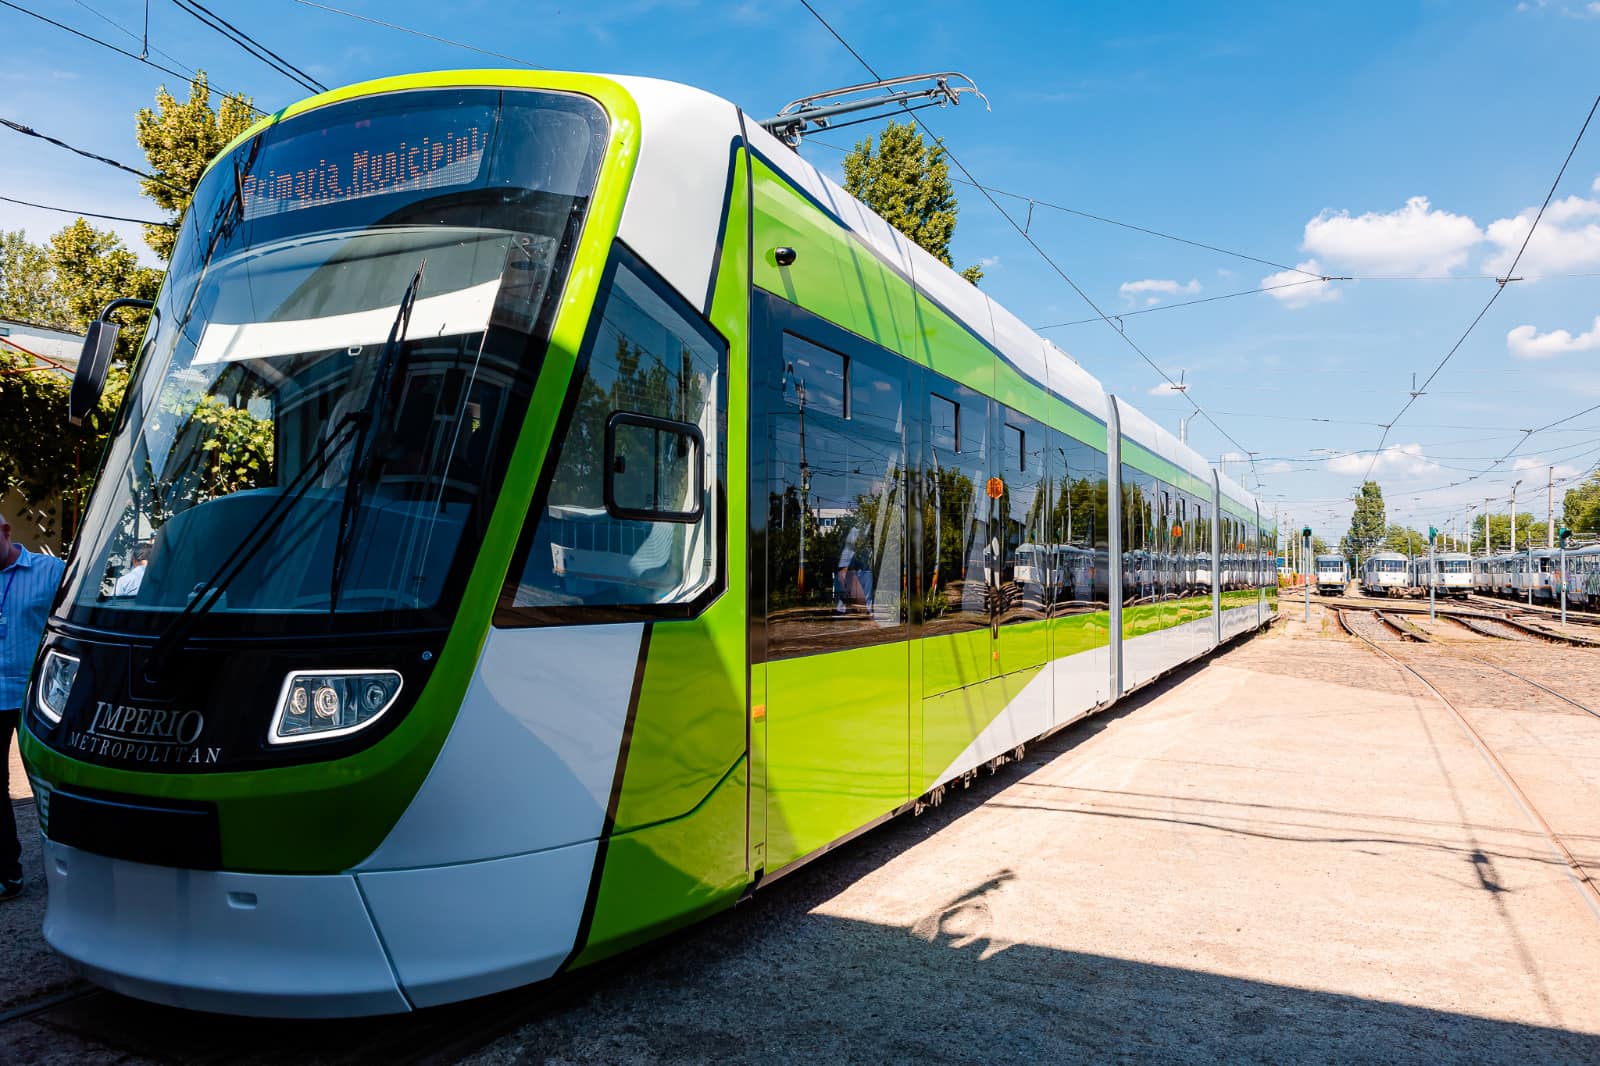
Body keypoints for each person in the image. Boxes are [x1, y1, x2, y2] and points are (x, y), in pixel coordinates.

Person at [0, 513, 65, 901]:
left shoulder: (52, 571)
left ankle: (70, 873)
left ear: (6, 532)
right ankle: (7, 873)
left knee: (52, 786)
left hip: (39, 698)